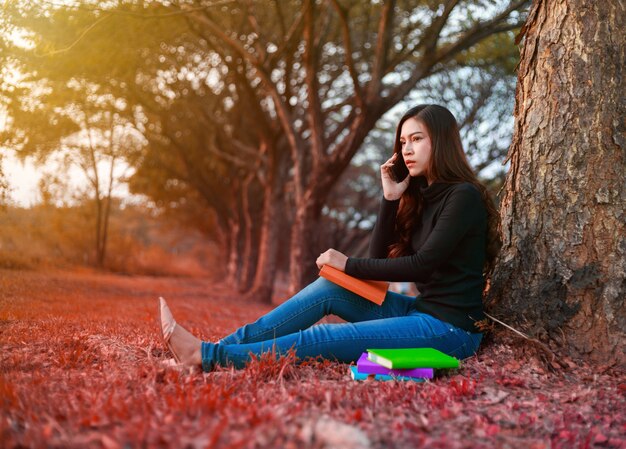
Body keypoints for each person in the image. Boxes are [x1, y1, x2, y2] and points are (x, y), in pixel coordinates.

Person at [158, 104, 501, 372]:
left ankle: (208, 357)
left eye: (417, 139)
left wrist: (347, 263)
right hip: (420, 313)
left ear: (440, 141)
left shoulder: (463, 196)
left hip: (451, 333)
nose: (406, 149)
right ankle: (214, 349)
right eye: (402, 141)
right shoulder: (421, 197)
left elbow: (424, 266)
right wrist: (390, 199)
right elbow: (378, 257)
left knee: (324, 335)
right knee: (331, 289)